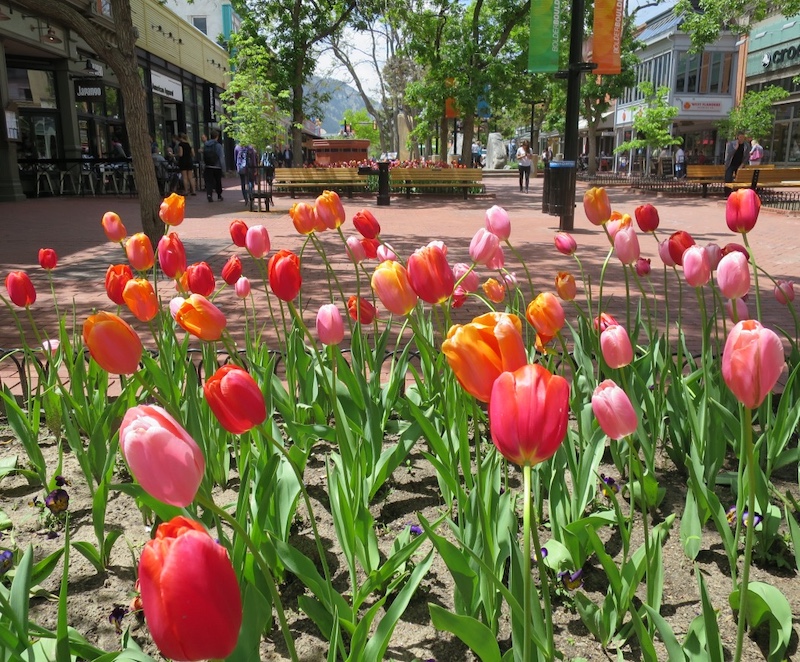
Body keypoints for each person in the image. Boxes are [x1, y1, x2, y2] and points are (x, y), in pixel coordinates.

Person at [202, 130, 225, 202]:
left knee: (209, 182)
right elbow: (221, 157)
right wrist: (223, 169)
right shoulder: (218, 146)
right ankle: (219, 195)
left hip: (208, 166)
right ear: (217, 137)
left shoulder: (206, 145)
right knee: (218, 181)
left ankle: (209, 195)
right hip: (217, 166)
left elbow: (204, 156)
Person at [234, 141, 256, 206]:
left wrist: (237, 167)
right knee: (250, 181)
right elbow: (253, 159)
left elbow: (235, 159)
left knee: (243, 183)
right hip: (249, 168)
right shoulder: (250, 148)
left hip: (241, 168)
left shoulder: (237, 148)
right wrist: (254, 169)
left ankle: (245, 198)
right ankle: (251, 194)